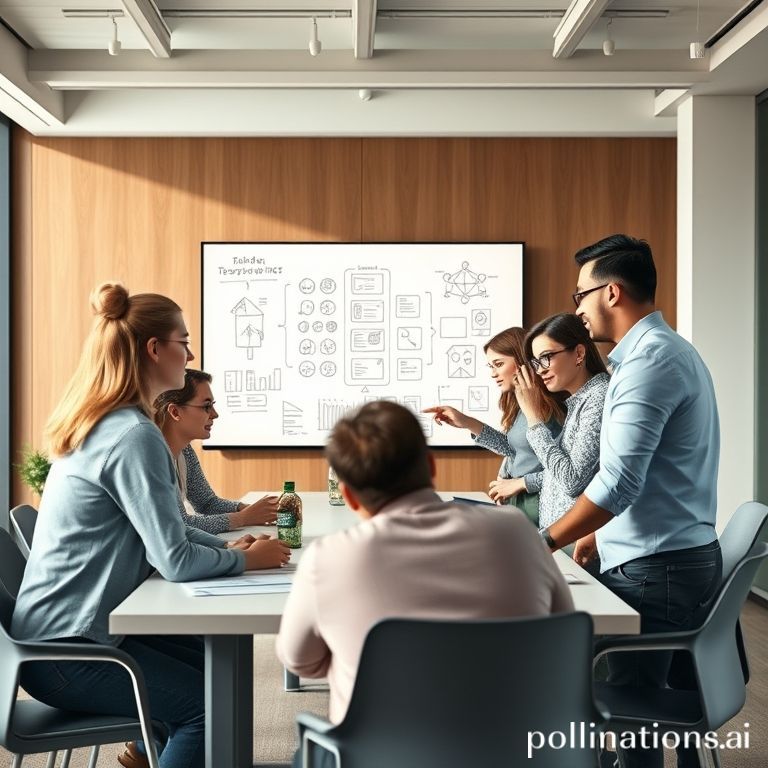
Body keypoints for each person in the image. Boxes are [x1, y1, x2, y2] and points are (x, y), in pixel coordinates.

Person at [11, 282, 290, 768]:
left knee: (218, 667)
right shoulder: (134, 435)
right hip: (66, 652)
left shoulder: (111, 422)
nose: (189, 352)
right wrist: (244, 559)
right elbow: (175, 561)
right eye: (184, 341)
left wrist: (234, 547)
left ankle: (151, 757)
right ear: (155, 349)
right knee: (205, 706)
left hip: (65, 636)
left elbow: (171, 529)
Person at [276, 400, 574, 759]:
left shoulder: (327, 557)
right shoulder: (517, 531)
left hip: (382, 756)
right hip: (519, 753)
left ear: (350, 498)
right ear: (431, 466)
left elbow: (299, 661)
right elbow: (560, 633)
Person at [540, 235, 721, 768]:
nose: (575, 307)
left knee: (630, 721)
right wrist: (594, 531)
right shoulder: (662, 353)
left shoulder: (648, 365)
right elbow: (652, 474)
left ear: (612, 292)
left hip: (656, 570)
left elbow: (618, 484)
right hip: (667, 557)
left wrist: (543, 540)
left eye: (580, 295)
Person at [423, 327, 563, 525]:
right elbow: (514, 449)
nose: (493, 373)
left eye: (498, 364)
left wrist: (519, 484)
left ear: (522, 360)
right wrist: (467, 422)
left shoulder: (551, 407)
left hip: (542, 507)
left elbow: (566, 474)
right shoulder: (520, 403)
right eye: (490, 366)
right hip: (518, 502)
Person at [493, 313, 608, 532]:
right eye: (536, 362)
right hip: (559, 533)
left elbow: (571, 481)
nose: (540, 370)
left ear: (579, 353)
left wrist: (534, 418)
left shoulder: (598, 397)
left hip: (574, 536)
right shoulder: (578, 400)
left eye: (547, 357)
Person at [155, 369, 278, 534]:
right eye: (206, 406)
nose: (215, 414)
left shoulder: (185, 450)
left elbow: (207, 503)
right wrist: (244, 517)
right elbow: (181, 524)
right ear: (175, 412)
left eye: (212, 406)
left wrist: (250, 509)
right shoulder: (153, 458)